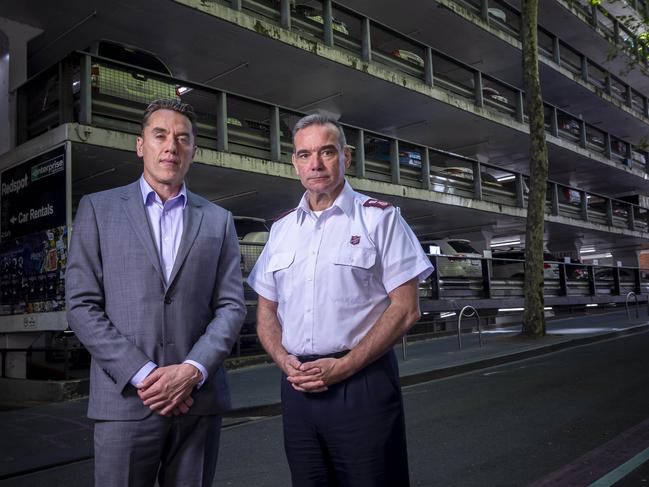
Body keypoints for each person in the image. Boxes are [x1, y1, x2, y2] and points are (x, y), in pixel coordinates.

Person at [66, 99, 245, 487]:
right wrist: (146, 376)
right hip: (127, 400)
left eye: (183, 138)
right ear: (140, 145)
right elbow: (81, 306)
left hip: (197, 400)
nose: (171, 146)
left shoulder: (219, 220)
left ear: (193, 150)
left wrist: (191, 370)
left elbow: (231, 306)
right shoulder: (98, 210)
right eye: (160, 135)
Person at [247, 113, 433, 486]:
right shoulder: (281, 230)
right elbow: (266, 310)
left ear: (346, 156)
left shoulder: (381, 219)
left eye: (326, 152)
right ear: (294, 162)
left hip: (362, 383)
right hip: (298, 386)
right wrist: (285, 361)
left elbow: (406, 309)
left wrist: (344, 367)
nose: (315, 164)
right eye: (304, 155)